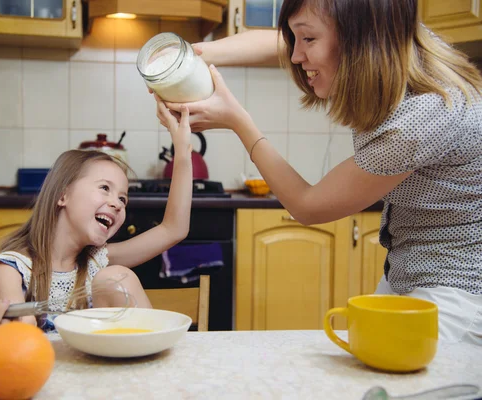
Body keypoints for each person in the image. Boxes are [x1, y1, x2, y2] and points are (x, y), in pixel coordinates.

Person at [159, 0, 482, 344]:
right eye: (297, 39)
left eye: (308, 40)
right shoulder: (399, 43)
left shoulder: (422, 118)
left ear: (361, 40)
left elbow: (308, 206)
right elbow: (280, 44)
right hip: (408, 275)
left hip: (454, 296)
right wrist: (192, 57)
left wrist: (239, 122)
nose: (297, 56)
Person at [0, 99, 193, 334]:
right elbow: (18, 334)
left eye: (123, 199)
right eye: (104, 188)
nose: (117, 204)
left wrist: (183, 151)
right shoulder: (11, 268)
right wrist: (11, 324)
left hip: (97, 367)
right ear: (63, 195)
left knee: (116, 277)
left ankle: (153, 359)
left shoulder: (98, 261)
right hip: (42, 365)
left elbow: (174, 229)